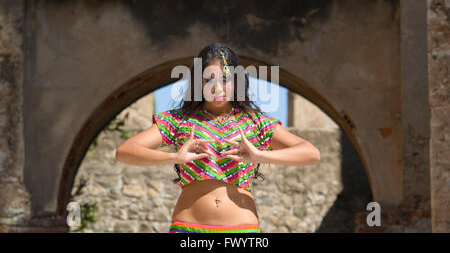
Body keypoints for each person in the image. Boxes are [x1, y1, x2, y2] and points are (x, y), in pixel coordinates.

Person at [115, 43, 320, 233]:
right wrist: (175, 157)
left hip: (242, 232)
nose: (218, 87)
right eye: (209, 79)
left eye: (226, 79)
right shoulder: (178, 120)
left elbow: (311, 153)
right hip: (188, 229)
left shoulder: (255, 122)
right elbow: (125, 152)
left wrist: (259, 155)